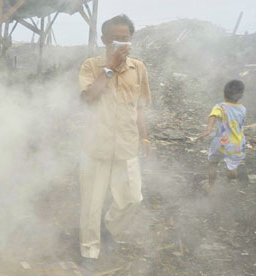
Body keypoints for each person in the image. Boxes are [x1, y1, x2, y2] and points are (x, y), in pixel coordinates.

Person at [78, 14, 151, 260]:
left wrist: (146, 138)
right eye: (115, 40)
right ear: (104, 40)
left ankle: (107, 229)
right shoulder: (91, 66)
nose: (120, 44)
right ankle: (89, 253)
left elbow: (140, 107)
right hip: (96, 147)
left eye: (125, 39)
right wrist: (109, 68)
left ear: (132, 40)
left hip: (127, 146)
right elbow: (88, 98)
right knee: (91, 204)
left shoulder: (138, 68)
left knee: (132, 199)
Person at [197, 80, 246, 194]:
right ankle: (231, 172)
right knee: (232, 167)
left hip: (221, 142)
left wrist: (208, 129)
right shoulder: (243, 109)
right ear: (241, 95)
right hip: (236, 145)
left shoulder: (220, 106)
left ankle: (211, 186)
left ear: (224, 93)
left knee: (213, 163)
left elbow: (213, 115)